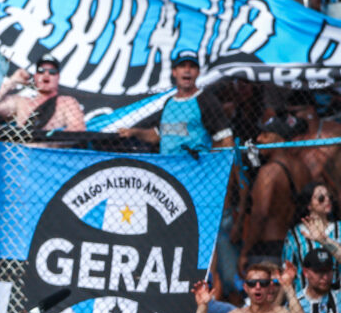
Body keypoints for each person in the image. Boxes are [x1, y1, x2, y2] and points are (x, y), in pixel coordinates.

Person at [118, 51, 234, 155]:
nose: (187, 70)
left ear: (198, 73)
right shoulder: (169, 103)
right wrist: (135, 132)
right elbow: (158, 135)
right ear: (174, 72)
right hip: (169, 171)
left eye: (192, 67)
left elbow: (225, 139)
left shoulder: (206, 100)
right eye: (182, 66)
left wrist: (209, 166)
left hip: (196, 171)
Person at [237, 116, 311, 272]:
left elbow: (260, 214)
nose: (258, 139)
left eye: (265, 134)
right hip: (295, 242)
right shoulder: (302, 168)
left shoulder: (268, 172)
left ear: (280, 139)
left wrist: (245, 252)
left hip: (269, 246)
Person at [0, 54, 86, 134]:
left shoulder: (66, 102)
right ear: (35, 76)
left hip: (46, 152)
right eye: (41, 70)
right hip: (20, 152)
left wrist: (47, 142)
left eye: (52, 72)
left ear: (58, 77)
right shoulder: (21, 102)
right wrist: (12, 81)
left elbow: (77, 129)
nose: (46, 75)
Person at [282, 182, 341, 289]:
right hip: (305, 298)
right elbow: (287, 270)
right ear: (309, 205)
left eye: (329, 196)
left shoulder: (339, 228)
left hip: (337, 297)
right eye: (321, 198)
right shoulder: (295, 234)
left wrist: (324, 241)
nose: (327, 200)